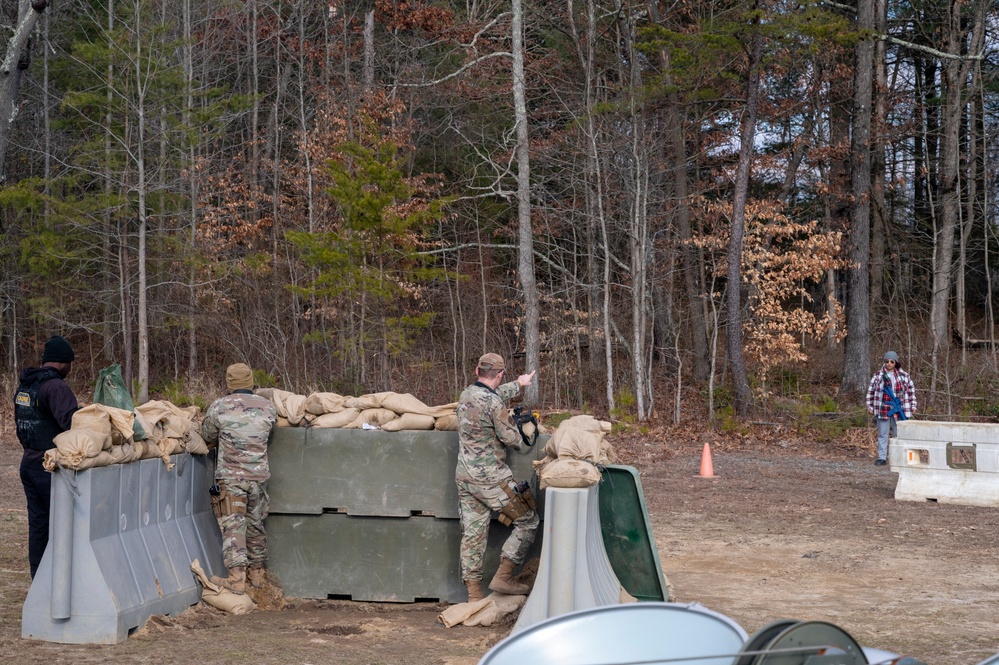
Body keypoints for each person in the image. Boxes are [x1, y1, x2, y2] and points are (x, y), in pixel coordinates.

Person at [455, 352, 538, 603]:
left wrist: (519, 384)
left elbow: (490, 394)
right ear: (499, 374)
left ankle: (473, 596)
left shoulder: (466, 394)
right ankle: (503, 576)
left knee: (473, 534)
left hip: (465, 478)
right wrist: (519, 423)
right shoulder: (494, 405)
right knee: (528, 521)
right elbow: (514, 441)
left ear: (477, 371)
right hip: (492, 481)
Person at [202, 363, 277, 594]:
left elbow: (207, 435)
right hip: (258, 478)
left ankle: (236, 579)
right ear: (251, 381)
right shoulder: (268, 407)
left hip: (231, 479)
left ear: (229, 383)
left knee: (233, 526)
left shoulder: (220, 407)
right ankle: (257, 575)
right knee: (255, 525)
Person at [14, 335, 79, 578]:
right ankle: (60, 581)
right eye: (70, 364)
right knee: (62, 527)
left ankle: (38, 578)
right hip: (49, 467)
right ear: (63, 363)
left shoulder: (27, 385)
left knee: (39, 527)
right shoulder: (56, 386)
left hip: (28, 463)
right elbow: (70, 423)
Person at [865, 350, 916, 466]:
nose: (889, 364)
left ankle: (898, 457)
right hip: (883, 408)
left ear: (895, 363)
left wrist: (913, 405)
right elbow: (870, 391)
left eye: (892, 362)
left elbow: (911, 391)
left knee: (899, 433)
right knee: (883, 434)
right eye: (887, 361)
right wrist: (870, 406)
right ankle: (882, 457)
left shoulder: (904, 376)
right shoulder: (878, 376)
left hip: (899, 408)